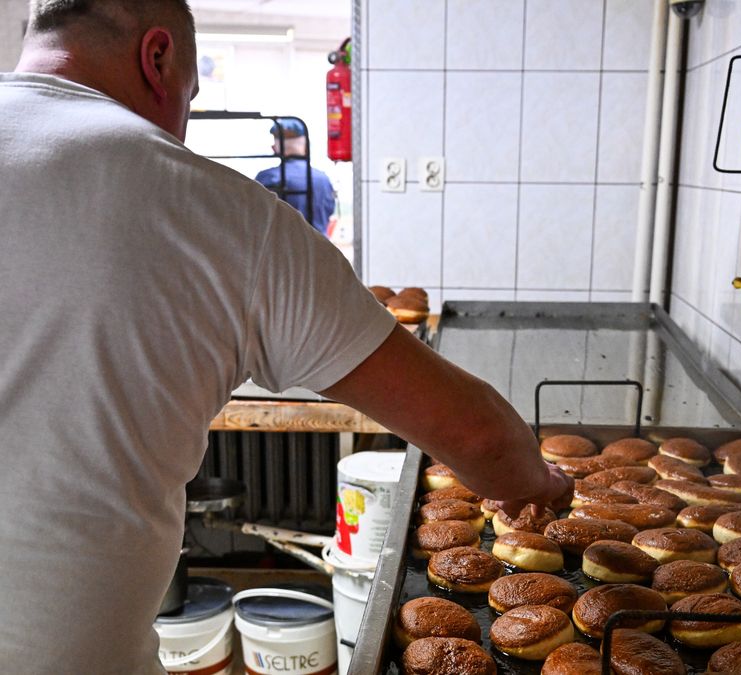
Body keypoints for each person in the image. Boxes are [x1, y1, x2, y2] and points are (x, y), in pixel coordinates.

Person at [0, 2, 573, 673]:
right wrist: (541, 483)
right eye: (189, 95)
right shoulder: (211, 209)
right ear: (157, 58)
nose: (181, 125)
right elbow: (475, 434)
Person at [253, 118, 337, 236]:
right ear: (306, 146)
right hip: (319, 250)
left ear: (275, 148)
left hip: (279, 251)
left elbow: (254, 219)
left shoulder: (266, 178)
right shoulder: (323, 180)